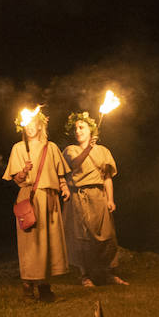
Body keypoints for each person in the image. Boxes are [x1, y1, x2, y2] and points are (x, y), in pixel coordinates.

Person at [3, 107, 71, 302]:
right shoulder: (18, 148)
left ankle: (45, 288)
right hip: (29, 198)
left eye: (34, 124)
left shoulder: (52, 147)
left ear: (41, 125)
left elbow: (60, 174)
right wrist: (24, 172)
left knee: (48, 242)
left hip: (49, 198)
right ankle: (27, 288)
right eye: (28, 124)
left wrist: (64, 187)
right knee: (31, 244)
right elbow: (16, 179)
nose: (31, 127)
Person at [61, 112, 127, 287]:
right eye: (75, 128)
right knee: (82, 238)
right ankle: (85, 275)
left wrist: (110, 199)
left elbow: (107, 177)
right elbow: (75, 164)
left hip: (99, 196)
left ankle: (109, 273)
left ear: (91, 130)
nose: (78, 131)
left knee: (108, 236)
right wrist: (88, 148)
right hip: (79, 197)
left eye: (81, 127)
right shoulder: (70, 150)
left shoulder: (103, 151)